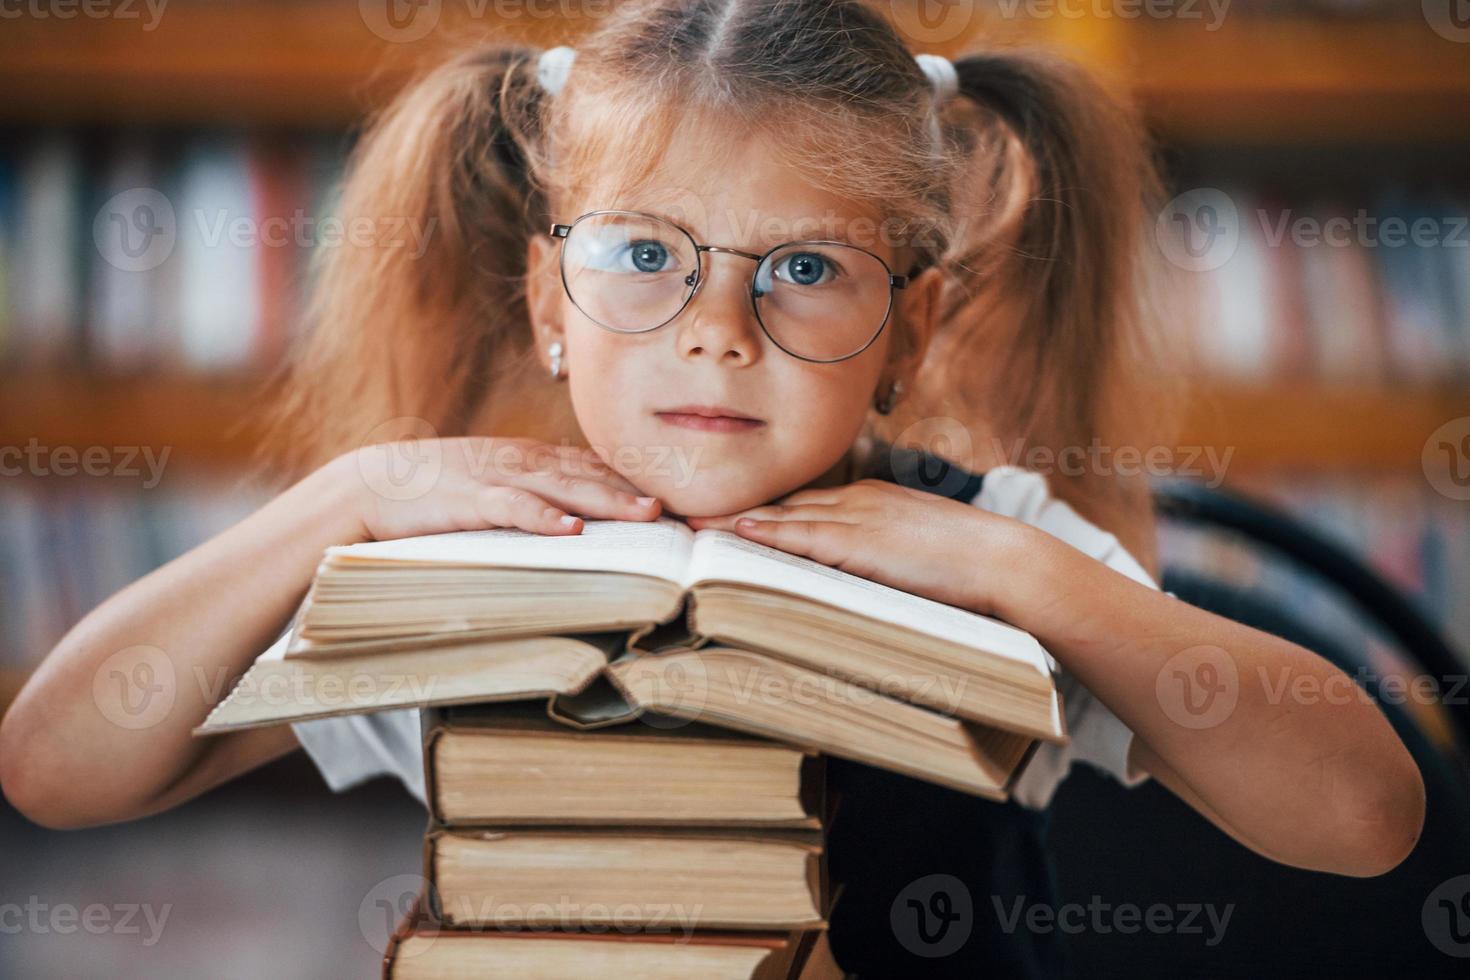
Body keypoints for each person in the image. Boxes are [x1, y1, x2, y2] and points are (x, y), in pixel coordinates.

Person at [0, 2, 1423, 975]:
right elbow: (59, 773)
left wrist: (1027, 574)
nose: (716, 328)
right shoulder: (459, 554)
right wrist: (340, 501)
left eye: (804, 268)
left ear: (909, 334)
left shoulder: (988, 551)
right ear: (546, 296)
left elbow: (1365, 823)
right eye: (643, 254)